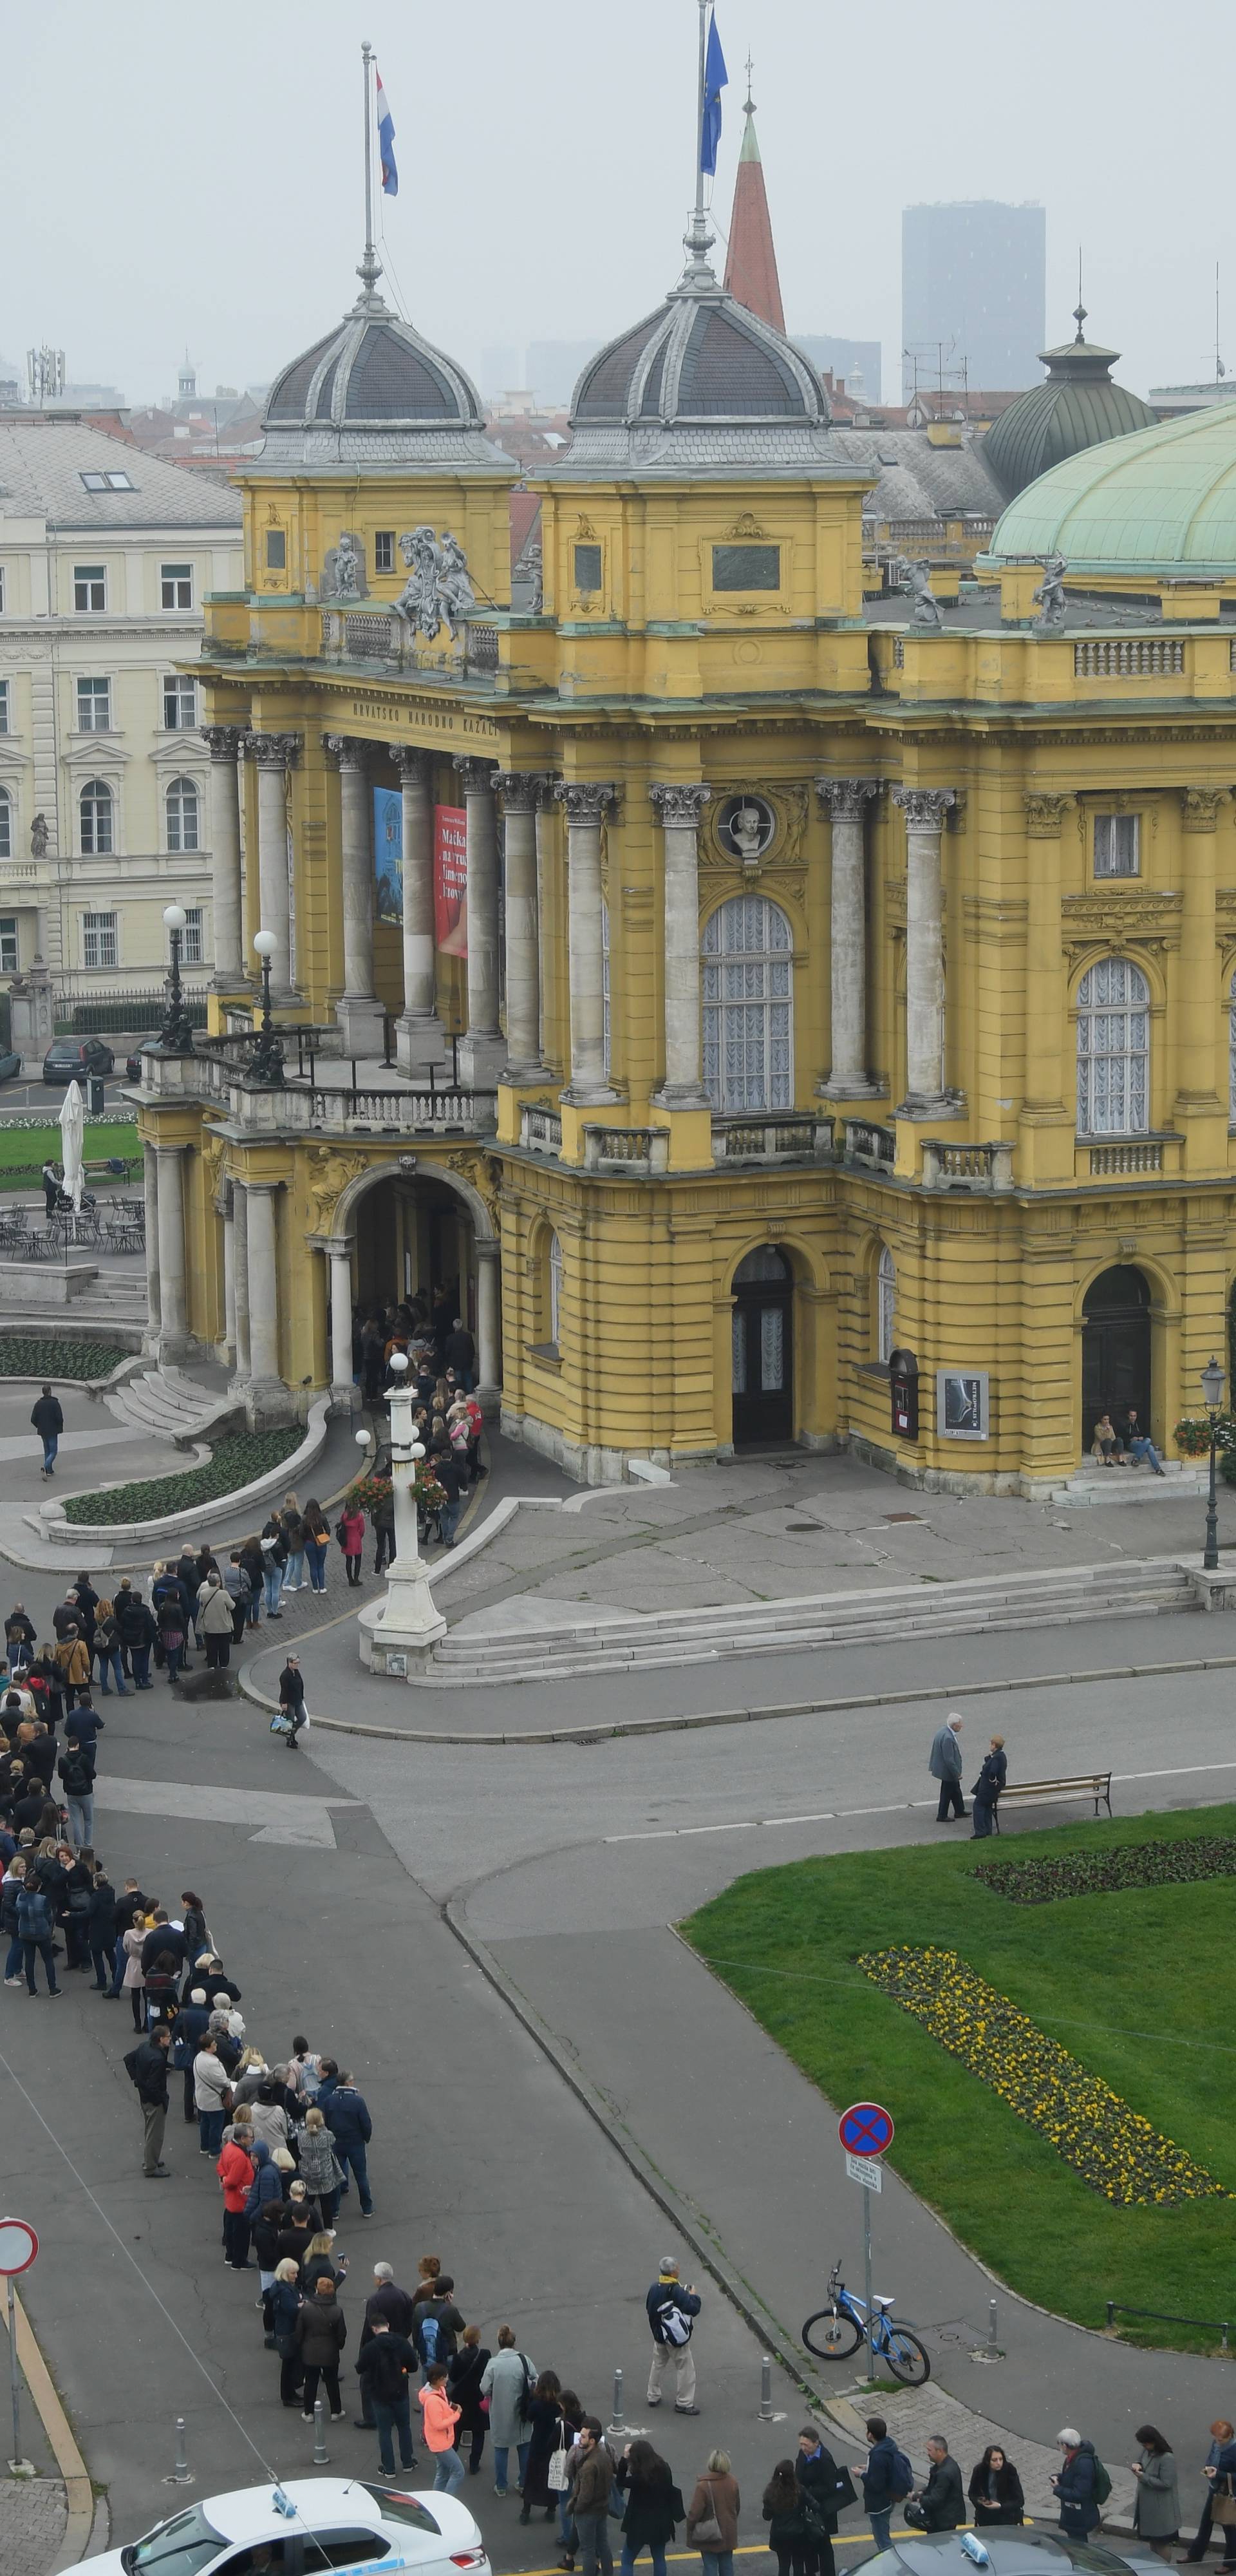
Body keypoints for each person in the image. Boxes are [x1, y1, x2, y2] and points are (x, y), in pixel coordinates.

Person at [357, 2313, 420, 2479]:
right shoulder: (402, 2343)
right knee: (404, 2427)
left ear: (374, 2329)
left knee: (384, 2431)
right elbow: (413, 2366)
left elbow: (360, 2368)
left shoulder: (370, 2348)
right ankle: (407, 2462)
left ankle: (389, 2468)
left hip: (379, 2394)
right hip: (401, 2391)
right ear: (388, 2325)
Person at [483, 2325, 536, 2497]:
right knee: (524, 2446)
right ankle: (523, 2482)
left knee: (501, 2448)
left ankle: (501, 2486)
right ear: (514, 2343)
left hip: (500, 2413)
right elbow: (536, 2380)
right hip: (523, 2412)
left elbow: (484, 2389)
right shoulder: (524, 2360)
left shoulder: (493, 2364)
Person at [646, 2256, 700, 2415]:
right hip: (674, 2338)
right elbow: (693, 2309)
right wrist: (693, 2296)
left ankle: (653, 2395)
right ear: (674, 2272)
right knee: (685, 2367)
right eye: (677, 2267)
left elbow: (649, 2308)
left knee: (658, 2364)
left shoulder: (654, 2287)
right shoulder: (675, 2290)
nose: (679, 2268)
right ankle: (684, 2402)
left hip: (659, 2335)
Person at [619, 2439, 683, 2576]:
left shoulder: (639, 2478)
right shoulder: (664, 2468)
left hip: (639, 2525)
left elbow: (620, 2481)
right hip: (661, 2523)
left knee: (627, 2560)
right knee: (659, 2558)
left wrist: (624, 2460)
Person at [295, 2273, 347, 2422]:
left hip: (310, 2352)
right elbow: (341, 2334)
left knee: (311, 2383)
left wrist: (300, 2346)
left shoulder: (307, 2308)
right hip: (330, 2353)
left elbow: (299, 2331)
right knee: (332, 2382)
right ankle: (336, 2411)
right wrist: (338, 2346)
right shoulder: (337, 2311)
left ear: (317, 2290)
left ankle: (309, 2413)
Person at [569, 2419, 618, 2576]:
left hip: (588, 2513)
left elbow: (585, 2495)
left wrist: (576, 2509)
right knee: (603, 2545)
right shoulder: (604, 2455)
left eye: (583, 2437)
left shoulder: (589, 2466)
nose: (579, 2439)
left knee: (588, 2551)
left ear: (592, 2440)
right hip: (602, 2508)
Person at [851, 2420, 905, 2559]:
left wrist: (861, 2474)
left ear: (871, 2435)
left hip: (880, 2504)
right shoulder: (888, 2446)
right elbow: (883, 2471)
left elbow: (876, 2485)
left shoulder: (878, 2455)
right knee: (882, 2535)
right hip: (888, 2499)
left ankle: (891, 2565)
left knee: (882, 2540)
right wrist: (869, 2468)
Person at [795, 2425, 844, 2576]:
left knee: (823, 2544)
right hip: (808, 2507)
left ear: (816, 2443)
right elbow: (799, 2474)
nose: (803, 2448)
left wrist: (807, 2492)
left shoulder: (825, 2460)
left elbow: (830, 2487)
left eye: (806, 2445)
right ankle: (811, 2571)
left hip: (822, 2509)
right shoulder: (803, 2454)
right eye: (801, 2444)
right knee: (808, 2540)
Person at [1185, 2421, 1236, 2566]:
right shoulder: (1216, 2444)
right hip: (1214, 2490)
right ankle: (1195, 2554)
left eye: (1221, 2440)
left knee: (1229, 2529)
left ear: (1230, 2435)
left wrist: (1218, 2474)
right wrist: (1208, 2469)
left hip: (1228, 2495)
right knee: (1205, 2525)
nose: (1217, 2442)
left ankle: (1231, 2563)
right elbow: (1211, 2458)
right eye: (1215, 2438)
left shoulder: (1234, 2450)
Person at [124, 2023, 172, 2176]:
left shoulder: (144, 2047)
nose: (170, 2039)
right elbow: (154, 2085)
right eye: (168, 2037)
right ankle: (151, 2167)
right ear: (161, 2039)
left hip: (144, 2096)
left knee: (150, 2129)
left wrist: (137, 2079)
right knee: (155, 2133)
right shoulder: (158, 2058)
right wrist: (161, 2098)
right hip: (154, 2100)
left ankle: (152, 2158)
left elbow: (128, 2059)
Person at [324, 2069, 373, 2213]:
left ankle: (334, 2210)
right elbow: (366, 2123)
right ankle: (367, 2208)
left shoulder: (329, 2100)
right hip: (355, 2143)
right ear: (348, 2083)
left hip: (337, 2143)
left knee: (336, 2177)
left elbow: (326, 2121)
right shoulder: (358, 2101)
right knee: (361, 2176)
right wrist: (366, 2138)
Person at [520, 2370, 565, 2524]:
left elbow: (529, 2417)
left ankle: (526, 2511)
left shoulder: (537, 2405)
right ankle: (551, 2510)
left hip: (537, 2444)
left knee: (532, 2478)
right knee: (551, 2477)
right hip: (553, 2446)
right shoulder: (559, 2406)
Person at [686, 2447, 740, 2576]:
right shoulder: (733, 2481)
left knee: (710, 2567)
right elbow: (737, 2507)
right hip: (728, 2532)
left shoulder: (703, 2486)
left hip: (710, 2534)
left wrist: (690, 2527)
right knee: (727, 2566)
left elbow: (695, 2513)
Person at [449, 2325, 491, 2478]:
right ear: (478, 2338)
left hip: (461, 2399)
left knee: (456, 2431)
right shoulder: (485, 2355)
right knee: (478, 2433)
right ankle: (474, 2464)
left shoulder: (458, 2358)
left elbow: (453, 2378)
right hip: (478, 2399)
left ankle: (451, 2462)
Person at [1132, 2427, 1180, 2562]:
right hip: (1149, 2508)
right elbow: (1141, 2460)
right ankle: (1156, 2566)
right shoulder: (1147, 2451)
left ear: (1154, 2441)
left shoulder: (1167, 2458)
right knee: (1153, 2541)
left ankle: (1164, 2569)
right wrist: (1138, 2465)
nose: (1144, 2447)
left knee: (1161, 2543)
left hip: (1161, 2511)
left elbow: (1166, 2483)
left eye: (1146, 2443)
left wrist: (1143, 2477)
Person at [420, 2363, 464, 2493]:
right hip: (440, 2443)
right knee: (458, 2472)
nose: (447, 2379)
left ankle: (436, 2500)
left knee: (443, 2473)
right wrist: (457, 2415)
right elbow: (438, 2424)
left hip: (441, 2440)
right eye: (444, 2378)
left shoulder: (439, 2390)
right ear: (437, 2380)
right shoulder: (432, 2401)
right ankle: (447, 2502)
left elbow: (445, 2403)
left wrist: (453, 2406)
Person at [295, 2103, 344, 2222]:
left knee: (308, 2200)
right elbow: (333, 2141)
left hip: (308, 2172)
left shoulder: (301, 2136)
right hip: (325, 2172)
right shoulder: (327, 2135)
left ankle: (303, 2223)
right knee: (326, 2203)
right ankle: (328, 2228)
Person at [1053, 2430, 1102, 2538]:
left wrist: (1058, 2489)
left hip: (1079, 2517)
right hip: (1075, 2515)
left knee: (1078, 2547)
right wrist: (1059, 2477)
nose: (1059, 2447)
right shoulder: (1073, 2458)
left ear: (1065, 2446)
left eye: (1059, 2444)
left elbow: (1079, 2494)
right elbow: (1072, 2477)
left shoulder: (1082, 2463)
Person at [17, 1873, 61, 1996]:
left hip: (25, 1933)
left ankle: (32, 1990)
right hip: (42, 1933)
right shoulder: (43, 1900)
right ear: (39, 1887)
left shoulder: (20, 1897)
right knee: (48, 1960)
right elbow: (49, 1917)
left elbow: (17, 1910)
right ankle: (52, 1988)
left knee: (29, 1961)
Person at [764, 2460, 809, 2576]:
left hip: (779, 2536)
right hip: (798, 2534)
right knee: (799, 2564)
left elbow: (767, 2516)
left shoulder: (771, 2492)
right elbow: (815, 2505)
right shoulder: (800, 2490)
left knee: (784, 2566)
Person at [908, 2439, 964, 2532]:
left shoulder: (944, 2473)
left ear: (940, 2451)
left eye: (930, 2450)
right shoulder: (948, 2464)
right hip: (947, 2517)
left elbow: (935, 2499)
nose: (928, 2453)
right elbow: (937, 2488)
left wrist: (916, 2497)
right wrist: (924, 2491)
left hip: (943, 2521)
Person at [270, 2259, 304, 2407]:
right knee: (289, 2365)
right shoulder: (285, 2291)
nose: (296, 2276)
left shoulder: (281, 2287)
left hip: (285, 2330)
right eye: (293, 2273)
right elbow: (292, 2310)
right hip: (288, 2332)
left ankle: (290, 2394)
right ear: (285, 2274)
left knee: (289, 2365)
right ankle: (288, 2396)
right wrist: (302, 2305)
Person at [193, 2034, 231, 2156]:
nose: (216, 2045)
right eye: (214, 2044)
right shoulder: (212, 2063)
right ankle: (214, 2150)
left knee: (205, 2122)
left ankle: (204, 2147)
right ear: (208, 2048)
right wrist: (229, 2082)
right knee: (216, 2125)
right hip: (213, 2099)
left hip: (202, 2097)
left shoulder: (198, 2058)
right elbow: (222, 2080)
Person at [968, 2446, 1024, 2526]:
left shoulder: (1009, 2470)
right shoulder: (979, 2470)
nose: (998, 2463)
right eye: (994, 2460)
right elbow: (972, 2493)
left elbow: (1019, 2500)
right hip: (986, 2517)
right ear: (988, 2461)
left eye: (1001, 2459)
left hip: (1007, 2518)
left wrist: (1000, 2506)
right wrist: (981, 2502)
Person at [58, 1731, 95, 1848]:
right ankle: (88, 1845)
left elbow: (61, 1775)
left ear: (68, 1746)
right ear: (78, 1745)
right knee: (88, 1820)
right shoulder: (84, 1758)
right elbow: (92, 1775)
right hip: (86, 1792)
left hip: (71, 1792)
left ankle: (79, 1847)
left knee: (76, 1820)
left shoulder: (63, 1760)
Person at [929, 1714, 966, 1822]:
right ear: (954, 1725)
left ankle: (960, 1810)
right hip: (948, 1771)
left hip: (945, 1769)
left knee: (956, 1790)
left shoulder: (943, 1731)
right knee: (947, 1793)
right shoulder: (949, 1738)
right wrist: (957, 1773)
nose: (961, 1726)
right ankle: (942, 1815)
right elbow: (949, 1759)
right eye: (960, 1724)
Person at [970, 1736, 1007, 1841]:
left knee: (978, 1806)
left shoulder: (996, 1758)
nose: (990, 1746)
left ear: (994, 1745)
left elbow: (992, 1772)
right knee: (987, 1808)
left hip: (988, 1788)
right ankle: (988, 1830)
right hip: (993, 1790)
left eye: (991, 1744)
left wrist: (991, 1780)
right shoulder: (1001, 1756)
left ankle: (980, 1831)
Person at [199, 1578, 235, 1670]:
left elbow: (201, 1604)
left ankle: (212, 1664)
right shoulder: (224, 1594)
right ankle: (223, 1664)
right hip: (223, 1624)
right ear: (218, 1583)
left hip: (209, 1625)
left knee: (211, 1646)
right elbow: (232, 1606)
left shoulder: (203, 1593)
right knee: (224, 1646)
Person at [30, 1385, 63, 1481]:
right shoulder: (55, 1403)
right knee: (53, 1451)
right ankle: (46, 1466)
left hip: (43, 1431)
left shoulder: (38, 1404)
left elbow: (33, 1419)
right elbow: (59, 1417)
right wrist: (59, 1427)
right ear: (50, 1392)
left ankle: (49, 1471)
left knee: (47, 1450)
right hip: (53, 1430)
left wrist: (39, 1426)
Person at [1122, 1406, 1166, 1475]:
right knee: (1150, 1446)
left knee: (1149, 1443)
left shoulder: (1140, 1424)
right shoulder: (1124, 1425)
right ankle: (1157, 1469)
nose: (1133, 1418)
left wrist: (1142, 1437)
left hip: (1141, 1443)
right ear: (1128, 1416)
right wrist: (1131, 1439)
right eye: (1131, 1416)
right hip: (1132, 1444)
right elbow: (1122, 1438)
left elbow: (1147, 1435)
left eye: (1134, 1416)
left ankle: (1157, 1468)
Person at [278, 1658, 307, 1752]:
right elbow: (284, 1690)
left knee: (302, 1717)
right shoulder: (285, 1675)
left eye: (298, 1662)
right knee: (289, 1721)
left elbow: (301, 1684)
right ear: (289, 1663)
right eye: (295, 1663)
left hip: (298, 1700)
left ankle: (291, 1734)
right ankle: (290, 1740)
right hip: (289, 1701)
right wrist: (284, 1702)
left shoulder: (296, 1672)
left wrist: (302, 1696)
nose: (297, 1665)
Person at [302, 1500, 331, 1593]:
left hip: (309, 1544)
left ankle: (315, 1588)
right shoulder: (322, 1517)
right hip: (321, 1543)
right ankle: (322, 1587)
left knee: (313, 1566)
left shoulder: (304, 1519)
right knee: (321, 1565)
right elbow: (328, 1530)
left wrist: (306, 1540)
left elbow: (301, 1533)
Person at [337, 1499, 366, 1587]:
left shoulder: (344, 1515)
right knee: (358, 1560)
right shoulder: (359, 1516)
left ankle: (350, 1579)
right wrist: (359, 1537)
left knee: (348, 1560)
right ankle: (356, 1579)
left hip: (347, 1539)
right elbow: (362, 1530)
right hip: (356, 1539)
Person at [373, 1482, 396, 1575]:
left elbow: (376, 1512)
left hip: (381, 1524)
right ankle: (391, 1567)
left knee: (380, 1546)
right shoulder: (394, 1499)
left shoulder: (381, 1499)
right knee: (393, 1546)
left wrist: (376, 1522)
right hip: (392, 1524)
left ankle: (377, 1570)